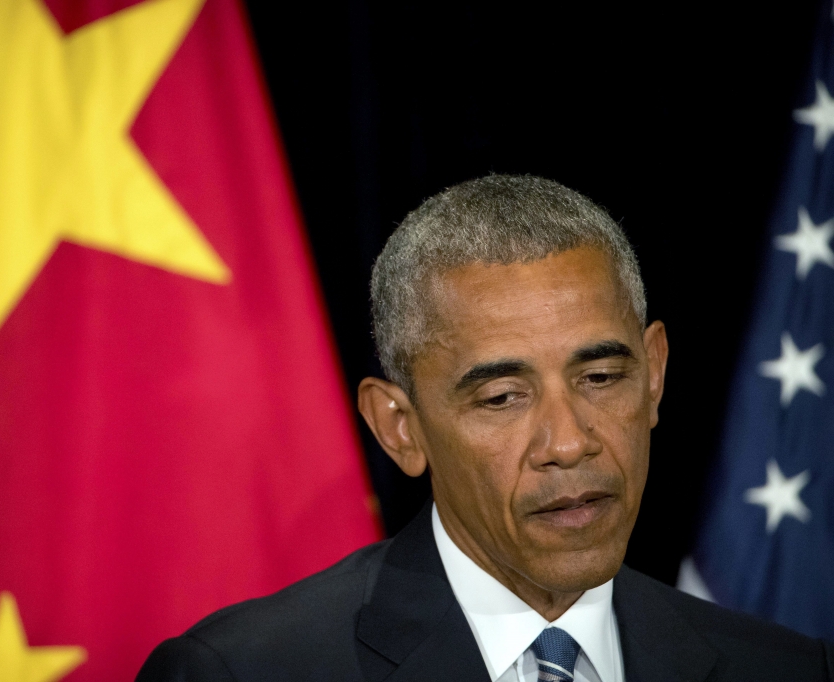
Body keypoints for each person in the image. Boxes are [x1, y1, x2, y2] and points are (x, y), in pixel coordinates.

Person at [137, 175, 832, 681]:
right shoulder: (244, 674)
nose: (569, 442)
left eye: (600, 378)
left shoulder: (782, 670)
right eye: (502, 398)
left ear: (654, 376)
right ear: (399, 427)